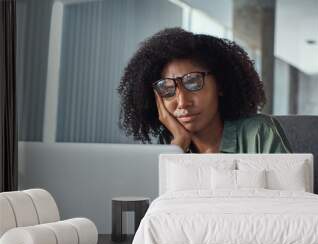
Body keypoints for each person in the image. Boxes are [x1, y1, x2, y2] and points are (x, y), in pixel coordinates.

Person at [118, 27, 292, 154]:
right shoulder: (169, 144)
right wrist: (179, 145)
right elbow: (161, 203)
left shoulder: (259, 134)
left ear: (221, 84)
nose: (182, 101)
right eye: (167, 88)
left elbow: (290, 201)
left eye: (193, 82)